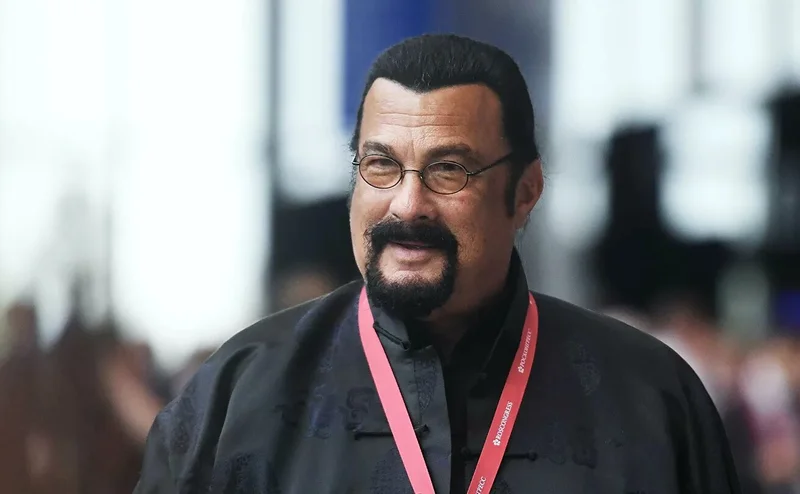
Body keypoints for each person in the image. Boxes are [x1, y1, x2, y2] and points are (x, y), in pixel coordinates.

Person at [134, 34, 741, 493]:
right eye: (380, 165)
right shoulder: (237, 399)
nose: (408, 204)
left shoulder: (649, 402)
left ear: (525, 192)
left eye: (449, 170)